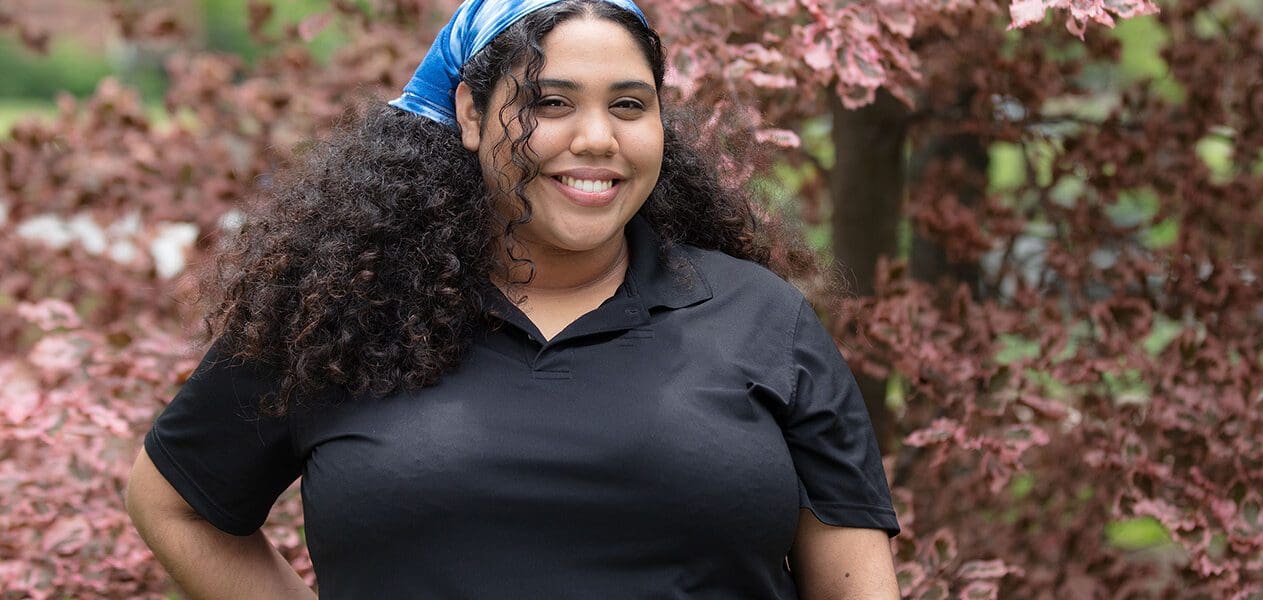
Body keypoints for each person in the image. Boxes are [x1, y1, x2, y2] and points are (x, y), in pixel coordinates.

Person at [124, 0, 900, 597]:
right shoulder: (343, 314)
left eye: (629, 105)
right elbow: (175, 501)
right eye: (550, 103)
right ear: (468, 113)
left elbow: (855, 580)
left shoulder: (764, 318)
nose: (597, 138)